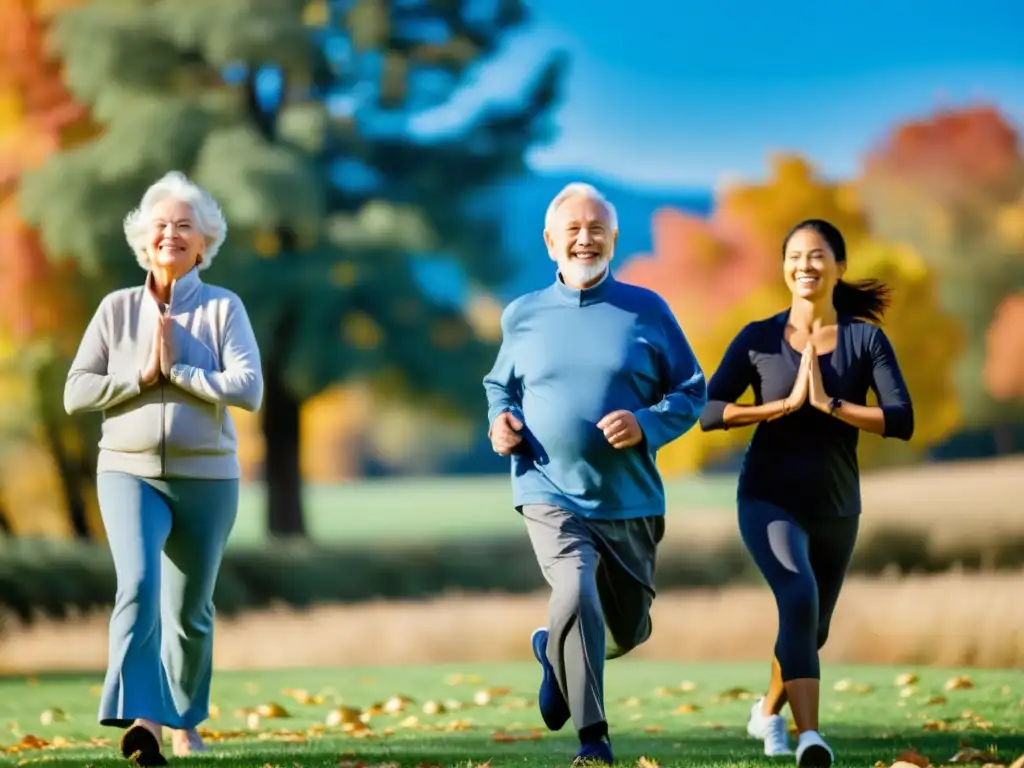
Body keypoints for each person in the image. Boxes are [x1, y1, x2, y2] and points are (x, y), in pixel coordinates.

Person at [482, 182, 707, 766]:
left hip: (629, 497)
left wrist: (646, 424)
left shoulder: (648, 310)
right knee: (575, 587)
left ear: (613, 238)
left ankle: (551, 650)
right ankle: (594, 739)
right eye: (573, 230)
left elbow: (691, 391)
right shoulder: (523, 314)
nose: (586, 239)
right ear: (551, 241)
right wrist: (499, 420)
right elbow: (499, 384)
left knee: (628, 630)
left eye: (596, 229)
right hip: (546, 487)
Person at [64, 171, 264, 766]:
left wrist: (181, 373)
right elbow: (76, 392)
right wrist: (139, 379)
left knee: (190, 613)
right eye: (160, 226)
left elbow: (249, 390)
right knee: (138, 587)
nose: (170, 234)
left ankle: (184, 718)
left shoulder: (225, 308)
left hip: (208, 480)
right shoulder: (115, 309)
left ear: (203, 244)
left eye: (184, 227)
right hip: (127, 472)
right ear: (143, 242)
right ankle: (143, 724)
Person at [698, 218, 914, 767]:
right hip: (768, 499)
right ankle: (810, 738)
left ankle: (767, 710)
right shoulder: (757, 338)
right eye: (795, 255)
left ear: (840, 267)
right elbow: (708, 411)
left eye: (818, 256)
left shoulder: (866, 339)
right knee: (798, 597)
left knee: (811, 627)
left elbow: (901, 419)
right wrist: (776, 408)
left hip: (837, 505)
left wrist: (831, 406)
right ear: (784, 267)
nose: (805, 265)